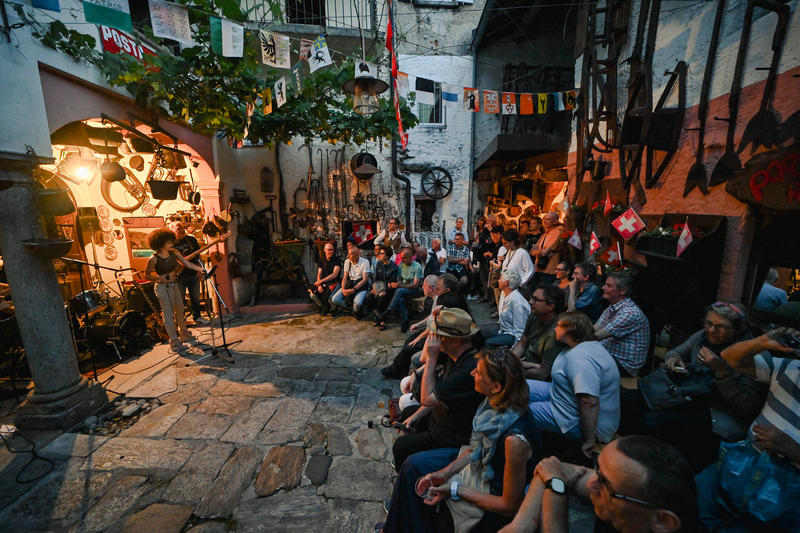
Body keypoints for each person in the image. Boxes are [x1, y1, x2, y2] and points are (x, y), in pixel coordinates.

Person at [381, 348, 543, 533]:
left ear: (496, 386)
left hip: (490, 490)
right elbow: (475, 449)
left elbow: (508, 506)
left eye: (479, 373)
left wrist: (454, 489)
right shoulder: (494, 401)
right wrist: (444, 473)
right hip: (480, 466)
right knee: (413, 464)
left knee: (433, 497)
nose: (472, 373)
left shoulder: (515, 440)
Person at [619, 302, 768, 473]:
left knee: (652, 421)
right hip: (691, 396)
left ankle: (660, 471)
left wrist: (722, 373)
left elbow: (746, 408)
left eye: (721, 327)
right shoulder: (702, 337)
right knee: (628, 401)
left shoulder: (754, 356)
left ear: (738, 328)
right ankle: (628, 456)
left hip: (719, 414)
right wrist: (673, 359)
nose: (712, 330)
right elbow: (675, 352)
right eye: (708, 323)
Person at [695, 327, 800, 532]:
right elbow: (730, 357)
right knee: (690, 499)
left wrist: (793, 449)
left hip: (786, 486)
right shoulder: (791, 367)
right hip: (742, 458)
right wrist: (761, 342)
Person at [499, 436, 699, 533]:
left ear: (663, 521)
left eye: (604, 483)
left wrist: (557, 490)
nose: (590, 484)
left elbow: (555, 478)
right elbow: (552, 468)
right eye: (598, 470)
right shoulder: (627, 492)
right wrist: (520, 525)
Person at [390, 308, 485, 472]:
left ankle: (408, 476)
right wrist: (416, 415)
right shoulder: (453, 353)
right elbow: (422, 359)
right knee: (408, 414)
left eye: (438, 335)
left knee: (401, 446)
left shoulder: (466, 370)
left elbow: (428, 398)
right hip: (440, 420)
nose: (434, 338)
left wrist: (433, 358)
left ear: (455, 341)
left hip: (451, 436)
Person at [528, 312, 620, 457]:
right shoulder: (577, 347)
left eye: (558, 326)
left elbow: (588, 402)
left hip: (579, 421)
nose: (555, 329)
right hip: (563, 397)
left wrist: (589, 440)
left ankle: (527, 451)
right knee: (519, 388)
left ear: (570, 330)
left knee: (521, 410)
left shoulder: (581, 358)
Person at [381, 274, 465, 379]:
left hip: (436, 336)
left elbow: (435, 326)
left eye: (438, 288)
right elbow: (432, 317)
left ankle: (396, 371)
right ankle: (400, 370)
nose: (436, 291)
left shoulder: (446, 302)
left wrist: (420, 337)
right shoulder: (439, 299)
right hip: (431, 331)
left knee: (410, 348)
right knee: (409, 341)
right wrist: (419, 324)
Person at [144, 228, 205, 349]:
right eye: (169, 242)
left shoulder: (174, 252)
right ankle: (174, 341)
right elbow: (147, 275)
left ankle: (185, 334)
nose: (172, 244)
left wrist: (202, 270)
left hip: (174, 284)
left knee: (180, 309)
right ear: (160, 243)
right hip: (163, 287)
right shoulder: (153, 258)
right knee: (168, 314)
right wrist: (160, 279)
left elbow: (187, 264)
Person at [594, 272, 650, 377]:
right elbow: (594, 329)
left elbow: (595, 336)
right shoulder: (612, 307)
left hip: (624, 365)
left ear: (622, 291)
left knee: (582, 361)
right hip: (609, 354)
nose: (603, 287)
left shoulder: (629, 313)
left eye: (609, 286)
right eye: (605, 284)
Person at [512, 285, 567, 382]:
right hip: (527, 362)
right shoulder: (534, 316)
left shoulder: (556, 333)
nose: (530, 302)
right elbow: (522, 343)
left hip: (540, 374)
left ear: (550, 306)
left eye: (535, 299)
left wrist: (513, 373)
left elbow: (543, 374)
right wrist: (510, 361)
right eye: (531, 298)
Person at [169, 221, 208, 325]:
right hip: (178, 276)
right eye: (178, 229)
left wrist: (199, 270)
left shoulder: (191, 240)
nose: (181, 230)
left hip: (193, 273)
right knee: (179, 300)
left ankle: (198, 317)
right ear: (172, 231)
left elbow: (198, 255)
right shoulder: (170, 242)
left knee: (195, 298)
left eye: (182, 228)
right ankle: (181, 322)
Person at [480, 270, 531, 348]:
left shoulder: (518, 303)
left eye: (500, 279)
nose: (498, 281)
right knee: (477, 331)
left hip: (512, 334)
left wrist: (516, 349)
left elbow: (520, 329)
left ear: (506, 283)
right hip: (502, 328)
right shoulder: (504, 293)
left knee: (488, 343)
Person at [379, 249, 423, 333]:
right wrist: (395, 284)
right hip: (403, 290)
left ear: (410, 257)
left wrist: (399, 286)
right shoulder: (401, 266)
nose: (403, 260)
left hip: (415, 291)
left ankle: (388, 312)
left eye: (405, 258)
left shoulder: (417, 267)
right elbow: (399, 279)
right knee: (400, 299)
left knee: (399, 291)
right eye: (402, 258)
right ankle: (405, 321)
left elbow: (415, 285)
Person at [330, 247, 370, 319]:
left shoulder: (365, 262)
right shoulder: (347, 262)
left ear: (357, 255)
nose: (348, 256)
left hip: (360, 285)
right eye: (348, 254)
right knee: (335, 299)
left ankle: (355, 310)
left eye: (351, 254)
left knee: (358, 302)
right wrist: (343, 289)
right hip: (351, 283)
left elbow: (365, 280)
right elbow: (345, 277)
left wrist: (353, 290)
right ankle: (351, 307)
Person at [365, 245, 398, 328]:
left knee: (381, 300)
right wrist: (374, 288)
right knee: (369, 298)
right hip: (379, 287)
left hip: (388, 289)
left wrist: (385, 291)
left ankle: (383, 320)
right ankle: (379, 316)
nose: (380, 255)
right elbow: (376, 278)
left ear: (387, 255)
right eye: (380, 253)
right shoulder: (379, 264)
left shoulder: (393, 266)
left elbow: (393, 281)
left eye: (382, 253)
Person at [529, 212, 563, 288]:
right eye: (544, 219)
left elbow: (544, 253)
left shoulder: (557, 233)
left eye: (548, 219)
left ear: (555, 221)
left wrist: (540, 251)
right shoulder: (544, 235)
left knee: (546, 294)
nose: (545, 221)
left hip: (549, 271)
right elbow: (531, 251)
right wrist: (541, 251)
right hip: (537, 269)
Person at [309, 242, 342, 316]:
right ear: (324, 250)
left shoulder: (337, 260)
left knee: (331, 297)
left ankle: (334, 309)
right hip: (323, 283)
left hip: (334, 282)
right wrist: (319, 285)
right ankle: (323, 306)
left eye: (332, 250)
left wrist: (320, 281)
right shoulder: (321, 260)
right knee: (313, 295)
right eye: (329, 249)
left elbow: (334, 275)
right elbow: (319, 273)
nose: (331, 251)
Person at [500, 229, 535, 296]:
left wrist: (520, 283)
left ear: (512, 242)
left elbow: (530, 270)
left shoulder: (522, 253)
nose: (504, 245)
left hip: (517, 289)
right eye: (503, 243)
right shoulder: (509, 252)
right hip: (506, 287)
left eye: (506, 243)